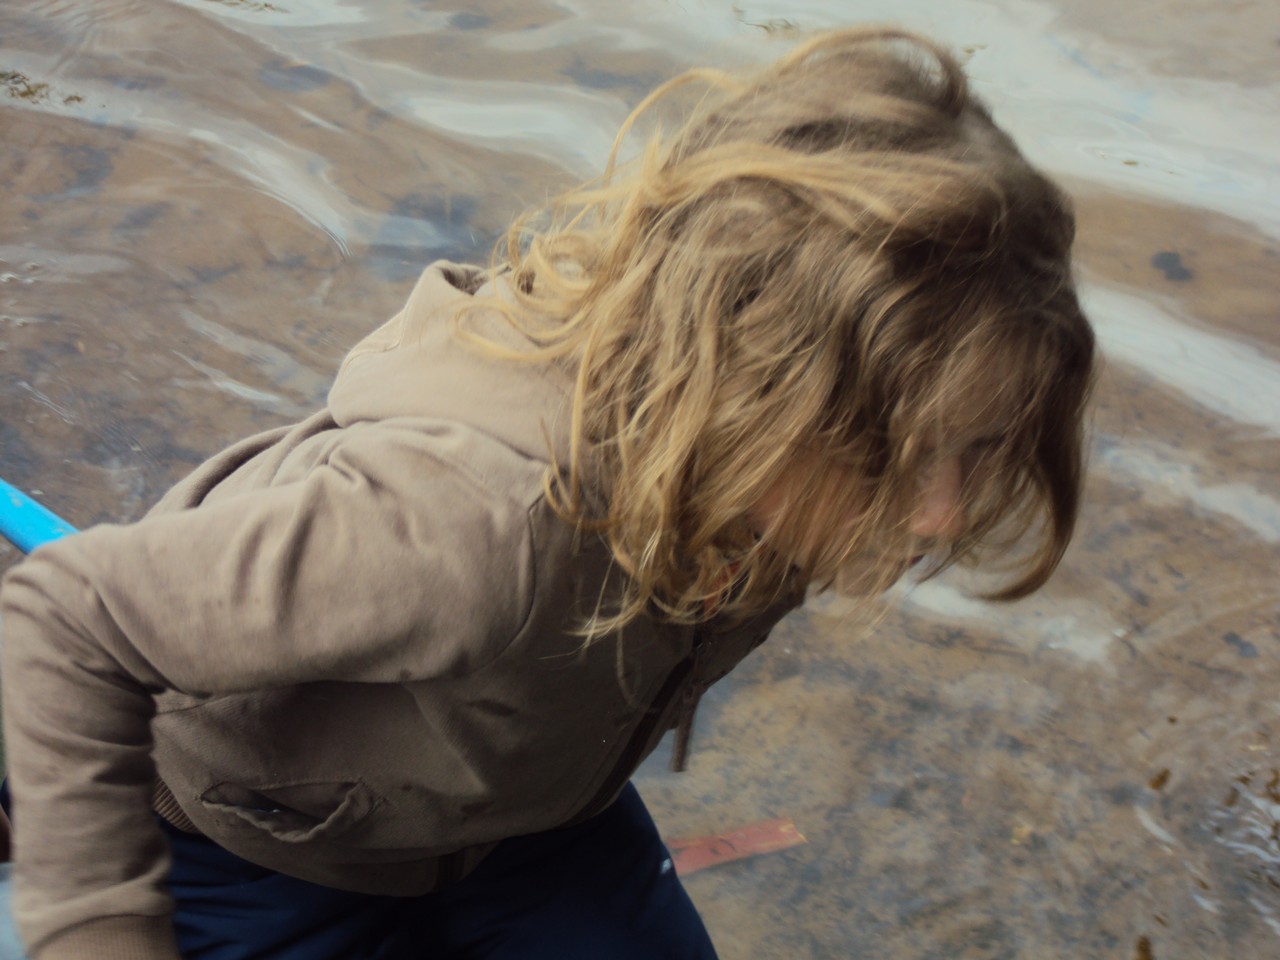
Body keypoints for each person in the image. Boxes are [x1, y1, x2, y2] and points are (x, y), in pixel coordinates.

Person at [0, 26, 1095, 960]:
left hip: (522, 815)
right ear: (746, 385)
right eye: (896, 455)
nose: (942, 514)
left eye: (978, 450)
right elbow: (65, 623)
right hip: (253, 841)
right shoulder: (463, 529)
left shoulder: (770, 479)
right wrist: (98, 926)